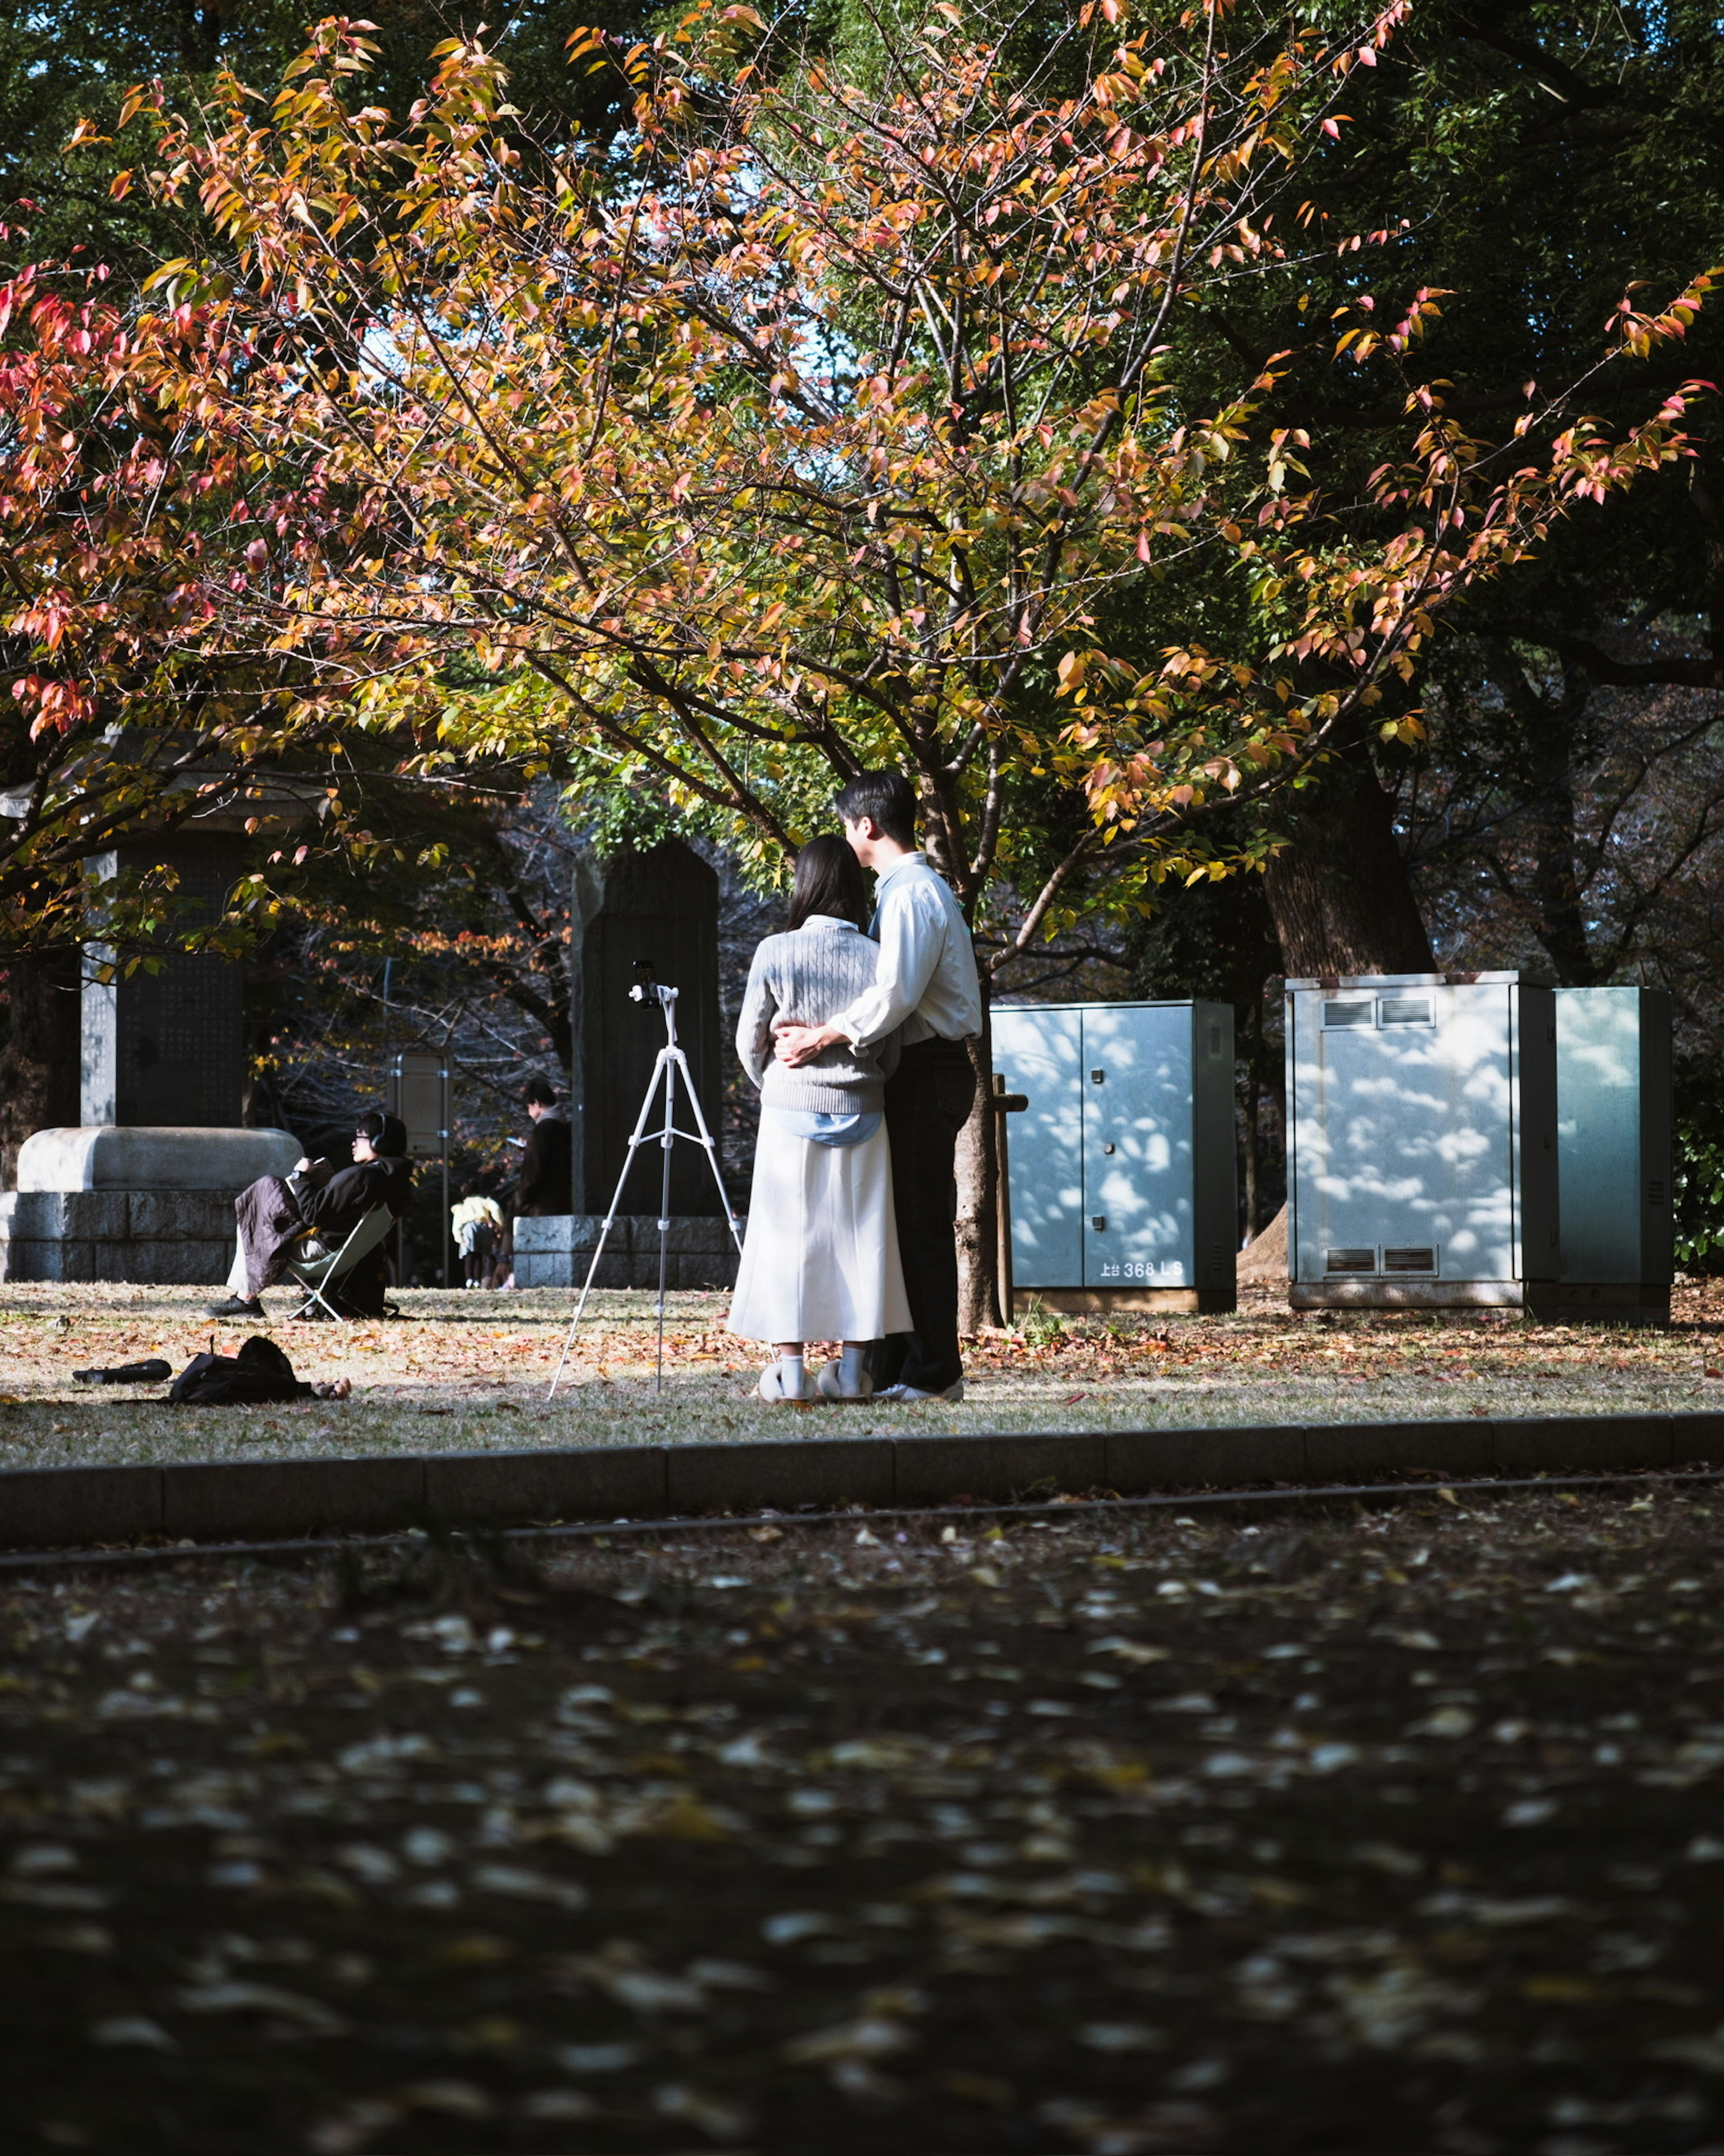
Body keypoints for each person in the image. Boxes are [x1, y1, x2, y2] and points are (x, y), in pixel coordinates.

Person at [773, 772, 982, 1402]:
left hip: (928, 1068)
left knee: (918, 1224)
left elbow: (894, 994)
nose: (846, 836)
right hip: (917, 1069)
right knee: (895, 1224)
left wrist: (821, 1037)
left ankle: (934, 1373)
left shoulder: (913, 893)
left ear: (867, 826)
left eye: (845, 825)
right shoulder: (905, 891)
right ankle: (890, 1370)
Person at [729, 834, 912, 1402]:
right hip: (863, 1110)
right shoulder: (879, 955)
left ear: (802, 884)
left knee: (788, 1240)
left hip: (791, 1115)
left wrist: (778, 1082)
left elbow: (748, 1042)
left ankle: (789, 1374)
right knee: (864, 1241)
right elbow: (892, 1047)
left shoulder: (774, 951)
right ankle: (854, 1373)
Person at [206, 1109, 414, 1322]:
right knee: (263, 1204)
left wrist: (301, 1176)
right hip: (344, 1253)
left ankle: (246, 1299)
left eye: (360, 1137)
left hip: (318, 1252)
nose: (354, 1143)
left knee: (260, 1199)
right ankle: (246, 1298)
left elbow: (313, 1214)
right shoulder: (395, 1181)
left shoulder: (361, 1177)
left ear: (380, 1143)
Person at [515, 1079, 572, 1217]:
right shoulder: (566, 1126)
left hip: (542, 1206)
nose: (529, 1113)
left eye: (529, 1107)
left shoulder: (543, 1130)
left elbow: (534, 1173)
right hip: (563, 1201)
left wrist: (520, 1202)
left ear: (536, 1103)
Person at [451, 1186, 505, 1289]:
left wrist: (458, 1237)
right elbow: (496, 1209)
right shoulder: (483, 1201)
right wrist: (500, 1224)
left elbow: (457, 1222)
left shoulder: (463, 1205)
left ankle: (469, 1279)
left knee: (469, 1253)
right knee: (481, 1254)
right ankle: (477, 1280)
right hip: (484, 1228)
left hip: (469, 1227)